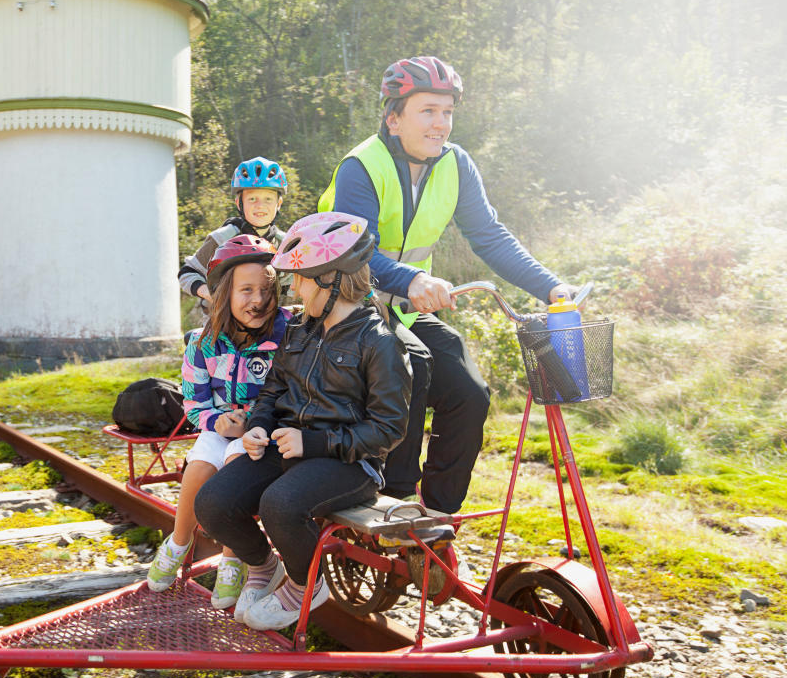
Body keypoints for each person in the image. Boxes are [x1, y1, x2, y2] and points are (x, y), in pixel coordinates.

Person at [317, 55, 573, 514]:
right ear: (394, 119)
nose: (441, 124)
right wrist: (412, 277)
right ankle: (394, 500)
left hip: (407, 311)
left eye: (448, 112)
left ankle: (438, 514)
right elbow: (353, 251)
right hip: (348, 306)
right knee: (408, 368)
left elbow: (490, 237)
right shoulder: (362, 166)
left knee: (469, 392)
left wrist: (551, 288)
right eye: (428, 111)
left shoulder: (456, 164)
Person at [193, 212, 413, 631]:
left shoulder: (379, 343)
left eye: (300, 278)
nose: (291, 288)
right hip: (286, 448)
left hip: (348, 464)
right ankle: (264, 566)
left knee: (281, 504)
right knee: (213, 503)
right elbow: (274, 389)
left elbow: (388, 430)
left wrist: (313, 443)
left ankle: (304, 584)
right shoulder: (300, 329)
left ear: (330, 279)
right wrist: (258, 425)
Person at [146, 235, 292, 609]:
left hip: (262, 435)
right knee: (199, 465)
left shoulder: (287, 337)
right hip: (219, 426)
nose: (258, 300)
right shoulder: (202, 343)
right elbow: (193, 404)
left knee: (232, 473)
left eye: (266, 290)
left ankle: (232, 557)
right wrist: (218, 420)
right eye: (246, 290)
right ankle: (179, 541)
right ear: (222, 294)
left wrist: (256, 424)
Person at [179, 156, 290, 308]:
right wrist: (209, 294)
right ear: (239, 203)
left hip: (270, 322)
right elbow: (187, 272)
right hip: (224, 322)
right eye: (252, 199)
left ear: (279, 204)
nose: (260, 205)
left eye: (268, 199)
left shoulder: (285, 244)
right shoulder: (222, 238)